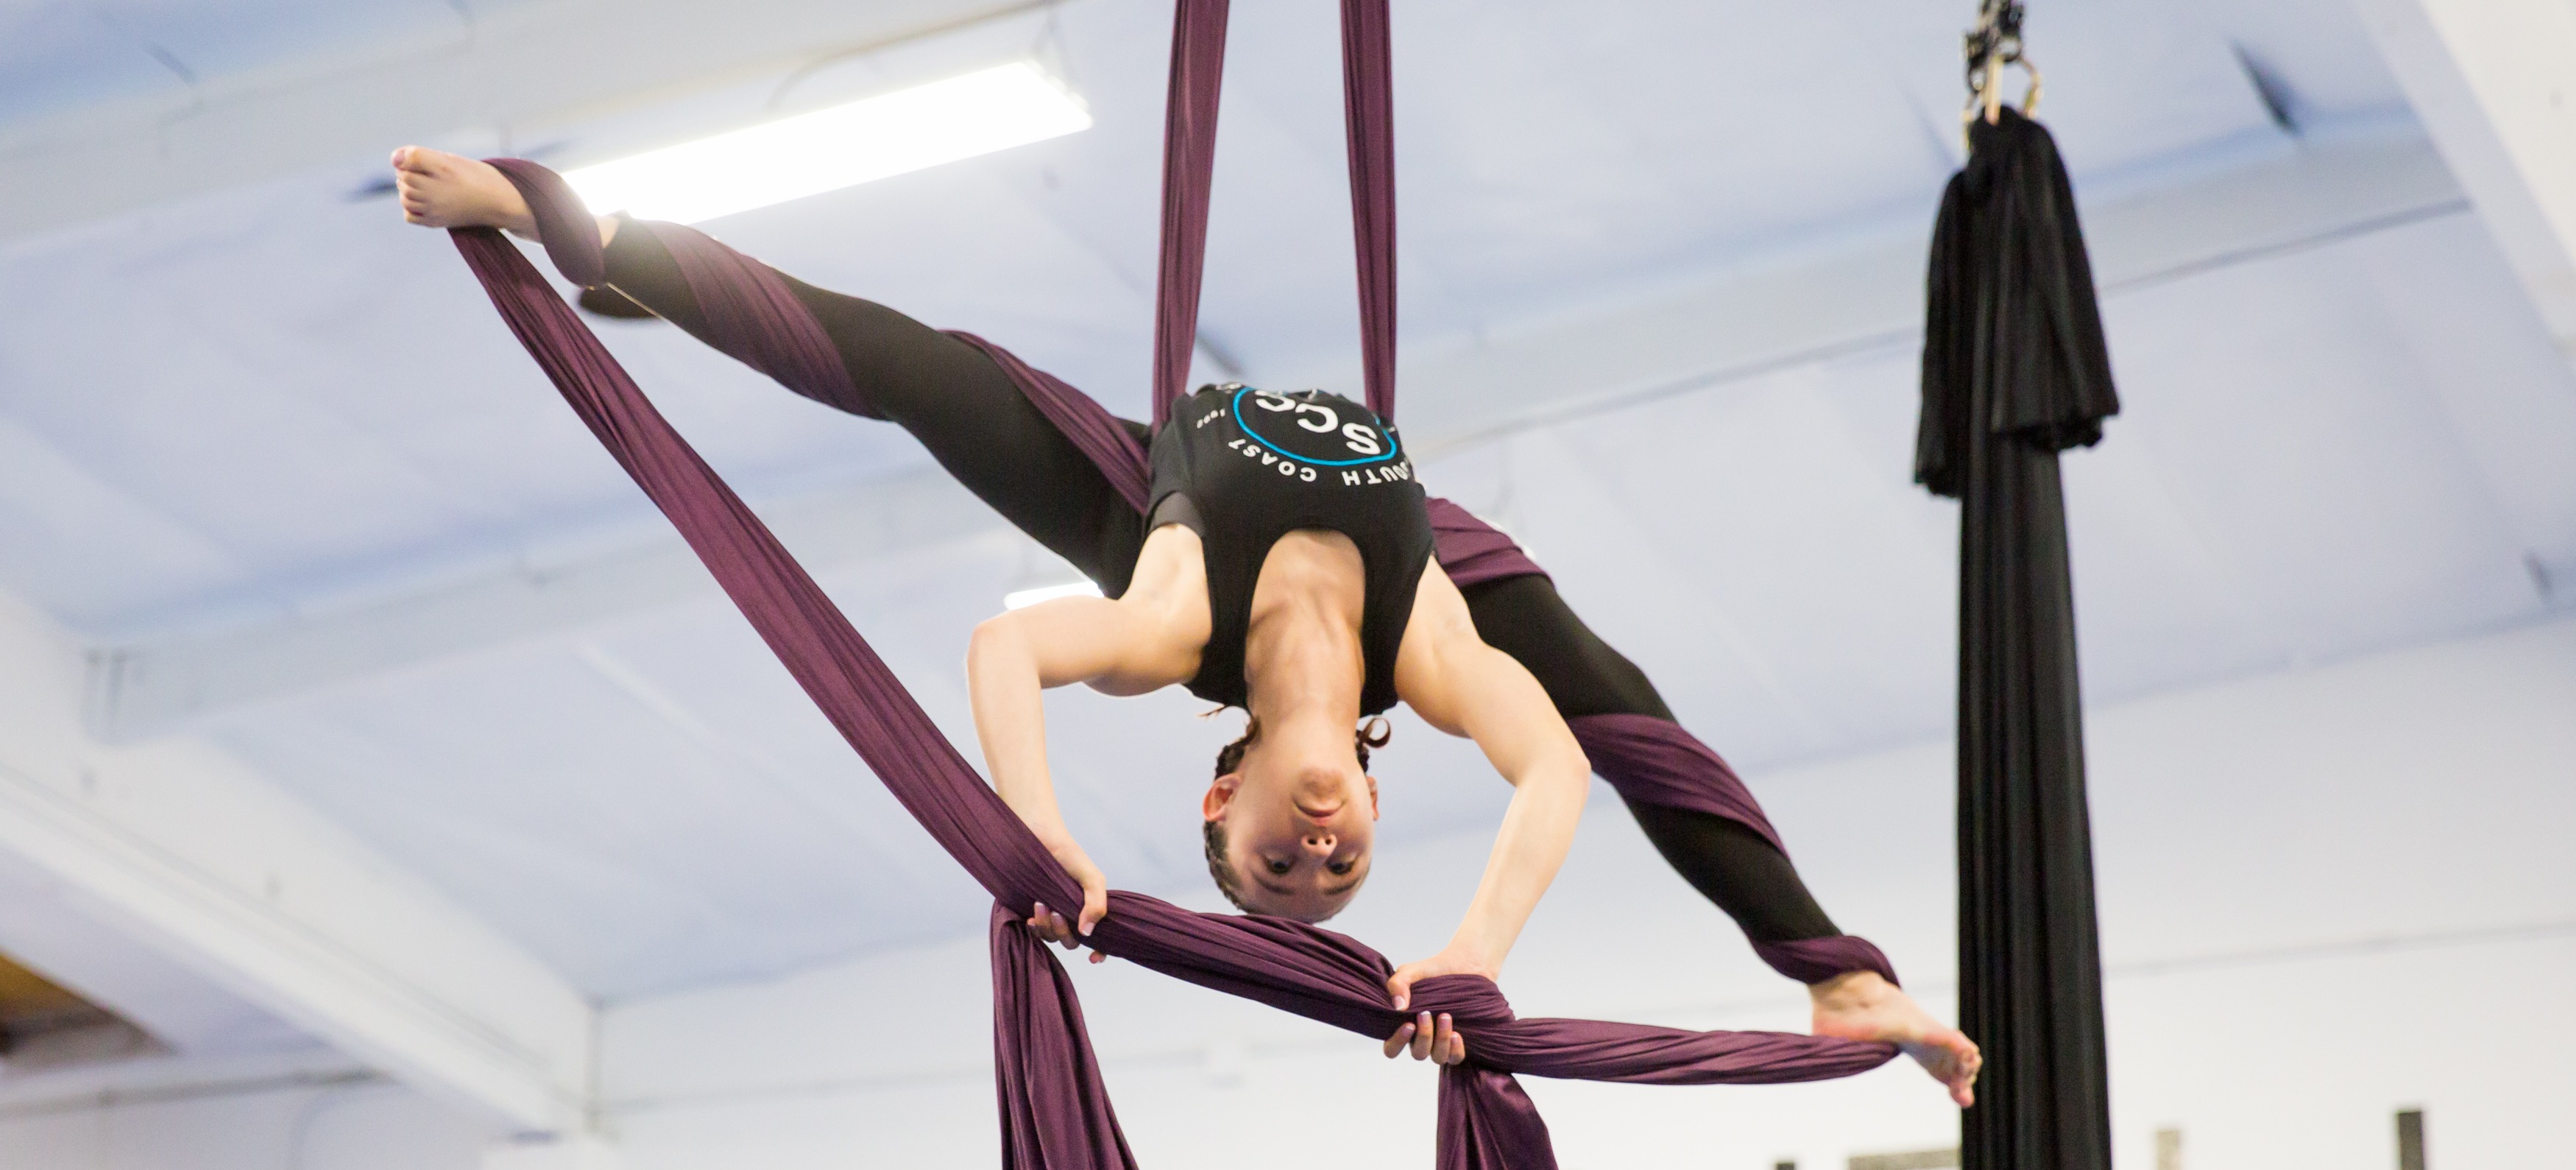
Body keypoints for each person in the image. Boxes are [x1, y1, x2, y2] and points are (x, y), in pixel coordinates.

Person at [389, 146, 1980, 1102]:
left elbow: (1001, 649)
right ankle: (1832, 968)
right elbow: (1566, 770)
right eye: (1338, 868)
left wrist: (1046, 846)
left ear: (1219, 795)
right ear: (1362, 805)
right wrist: (1471, 959)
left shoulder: (1160, 634)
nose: (1316, 850)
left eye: (1274, 866)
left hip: (1155, 497)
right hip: (1425, 551)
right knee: (1623, 706)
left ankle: (583, 236)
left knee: (908, 372)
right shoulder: (1428, 667)